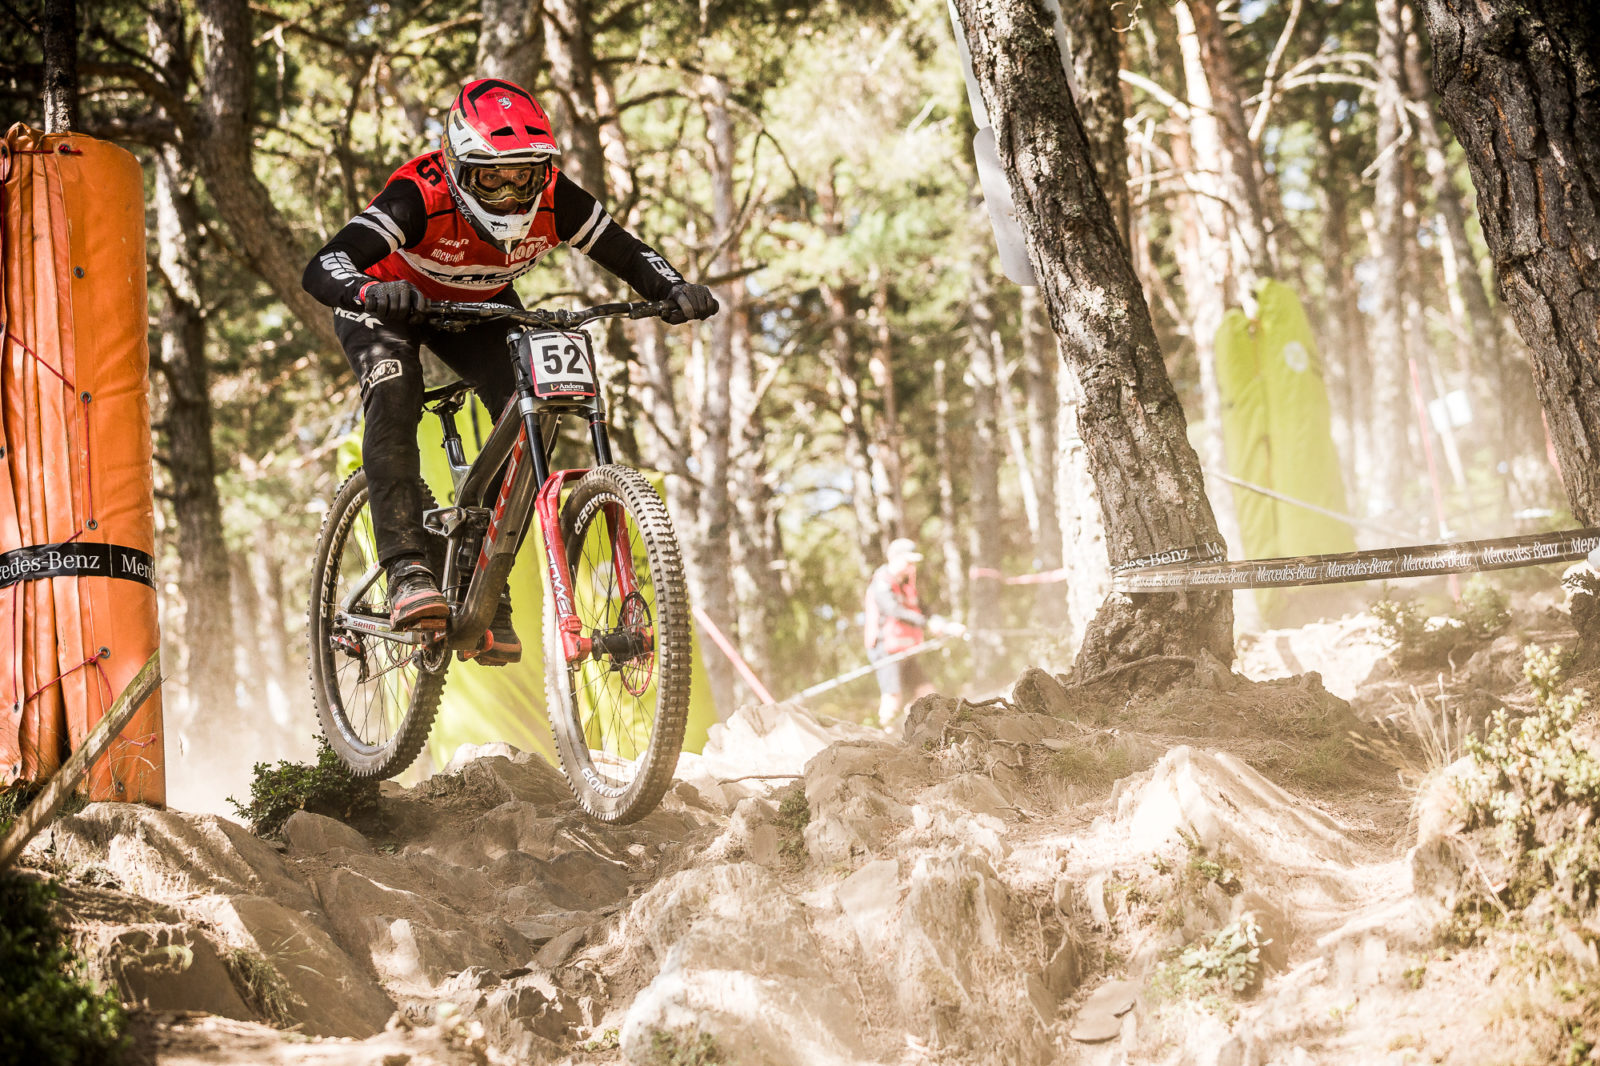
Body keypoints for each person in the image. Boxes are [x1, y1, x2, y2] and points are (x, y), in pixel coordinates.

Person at [302, 78, 717, 665]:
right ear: (457, 169)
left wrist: (673, 288)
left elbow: (626, 252)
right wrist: (370, 290)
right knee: (394, 391)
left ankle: (482, 583)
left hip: (480, 306)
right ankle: (406, 568)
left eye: (524, 177)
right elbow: (324, 263)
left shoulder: (558, 199)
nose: (509, 194)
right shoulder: (418, 194)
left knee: (534, 410)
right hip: (389, 305)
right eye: (491, 178)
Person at [863, 538, 963, 730]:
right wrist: (927, 624)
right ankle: (885, 732)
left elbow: (925, 611)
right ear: (894, 558)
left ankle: (913, 728)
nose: (911, 567)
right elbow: (894, 610)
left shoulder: (907, 585)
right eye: (908, 562)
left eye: (913, 562)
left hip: (906, 649)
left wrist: (946, 625)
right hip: (885, 650)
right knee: (892, 695)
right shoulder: (881, 582)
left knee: (925, 692)